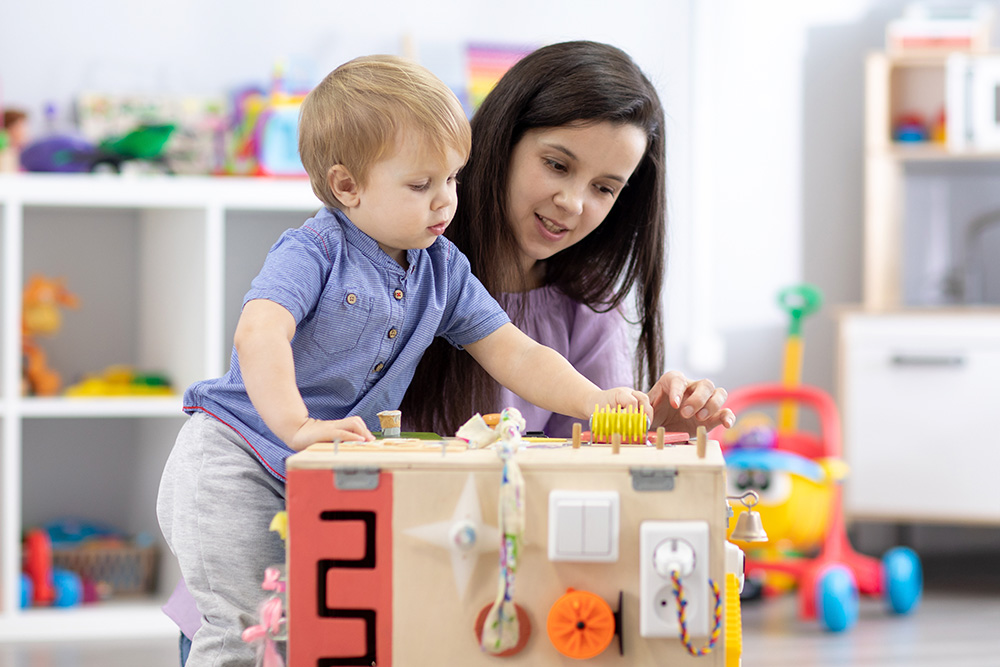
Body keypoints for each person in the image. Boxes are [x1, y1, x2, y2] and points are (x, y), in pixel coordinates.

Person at [157, 54, 651, 667]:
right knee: (249, 633)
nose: (445, 202)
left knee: (312, 635)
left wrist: (593, 402)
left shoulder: (443, 268)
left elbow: (515, 352)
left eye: (452, 180)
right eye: (422, 186)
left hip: (313, 480)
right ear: (347, 187)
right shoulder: (314, 250)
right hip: (238, 461)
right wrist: (297, 428)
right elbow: (259, 333)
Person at [401, 40, 734, 437]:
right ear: (502, 140)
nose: (572, 203)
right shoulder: (402, 265)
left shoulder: (587, 304)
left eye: (604, 188)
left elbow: (582, 466)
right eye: (557, 165)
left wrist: (647, 431)